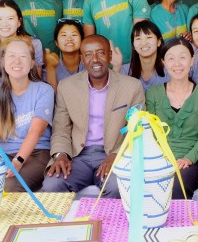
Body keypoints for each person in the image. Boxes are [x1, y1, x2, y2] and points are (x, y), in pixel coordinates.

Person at [41, 34, 144, 198]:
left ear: (110, 55)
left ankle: (107, 224)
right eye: (88, 55)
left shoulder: (132, 86)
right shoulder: (67, 87)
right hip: (77, 157)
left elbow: (137, 130)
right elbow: (61, 129)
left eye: (101, 53)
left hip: (112, 154)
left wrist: (117, 155)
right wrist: (60, 154)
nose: (95, 59)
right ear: (82, 59)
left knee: (118, 187)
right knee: (51, 185)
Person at [146, 38, 198, 199]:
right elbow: (150, 131)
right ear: (163, 62)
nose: (177, 63)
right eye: (171, 58)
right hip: (160, 159)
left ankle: (178, 225)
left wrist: (188, 159)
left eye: (183, 57)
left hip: (193, 160)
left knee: (177, 186)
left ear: (192, 60)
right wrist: (161, 159)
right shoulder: (153, 93)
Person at [0, 39, 54, 192]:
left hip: (36, 154)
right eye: (11, 56)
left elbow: (36, 131)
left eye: (23, 56)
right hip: (3, 154)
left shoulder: (44, 90)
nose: (17, 61)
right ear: (2, 61)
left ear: (32, 63)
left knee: (9, 187)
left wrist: (18, 160)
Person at [0, 0, 44, 85]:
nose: (4, 24)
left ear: (19, 22)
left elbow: (36, 81)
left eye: (10, 18)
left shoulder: (34, 44)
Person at [120, 20, 169, 92]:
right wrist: (116, 67)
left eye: (149, 37)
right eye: (138, 38)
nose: (143, 43)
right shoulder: (124, 71)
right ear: (133, 45)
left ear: (158, 42)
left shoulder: (169, 70)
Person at [44, 18, 85, 91]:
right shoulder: (50, 68)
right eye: (63, 35)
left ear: (82, 40)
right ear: (56, 43)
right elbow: (51, 98)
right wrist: (50, 68)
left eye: (74, 35)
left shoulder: (89, 66)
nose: (69, 39)